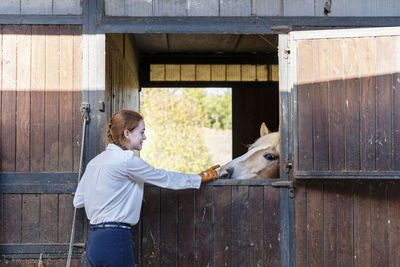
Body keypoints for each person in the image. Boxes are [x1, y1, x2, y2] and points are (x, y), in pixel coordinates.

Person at [73, 109, 219, 267]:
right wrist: (199, 177)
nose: (145, 137)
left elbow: (78, 201)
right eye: (141, 132)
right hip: (116, 239)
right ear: (127, 133)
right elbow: (164, 178)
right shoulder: (127, 161)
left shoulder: (95, 162)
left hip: (94, 241)